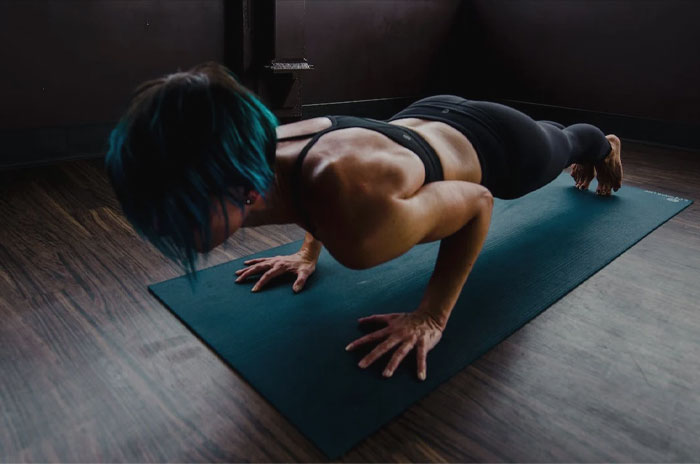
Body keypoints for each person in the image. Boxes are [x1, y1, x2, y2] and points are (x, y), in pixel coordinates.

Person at [105, 62, 622, 381]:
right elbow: (316, 187)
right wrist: (308, 251)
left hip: (504, 148)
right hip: (425, 116)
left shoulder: (358, 231)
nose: (163, 230)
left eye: (178, 214)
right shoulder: (267, 152)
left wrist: (432, 316)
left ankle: (607, 144)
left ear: (244, 190)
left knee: (572, 141)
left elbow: (478, 203)